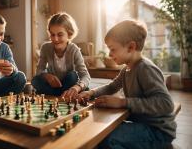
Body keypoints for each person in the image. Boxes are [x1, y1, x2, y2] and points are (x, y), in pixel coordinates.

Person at [76, 20, 176, 149]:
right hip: (143, 125)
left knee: (106, 139)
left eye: (113, 49)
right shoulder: (127, 69)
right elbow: (112, 87)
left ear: (131, 47)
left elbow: (166, 104)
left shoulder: (146, 69)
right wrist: (91, 93)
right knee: (100, 131)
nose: (110, 54)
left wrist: (122, 102)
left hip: (158, 132)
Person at [31, 12, 90, 99]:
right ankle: (61, 94)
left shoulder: (74, 50)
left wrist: (77, 87)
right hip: (52, 86)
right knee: (35, 80)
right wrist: (46, 76)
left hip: (68, 83)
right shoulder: (45, 48)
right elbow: (39, 70)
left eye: (60, 34)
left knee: (73, 76)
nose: (55, 39)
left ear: (69, 34)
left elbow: (85, 75)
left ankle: (57, 94)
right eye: (52, 34)